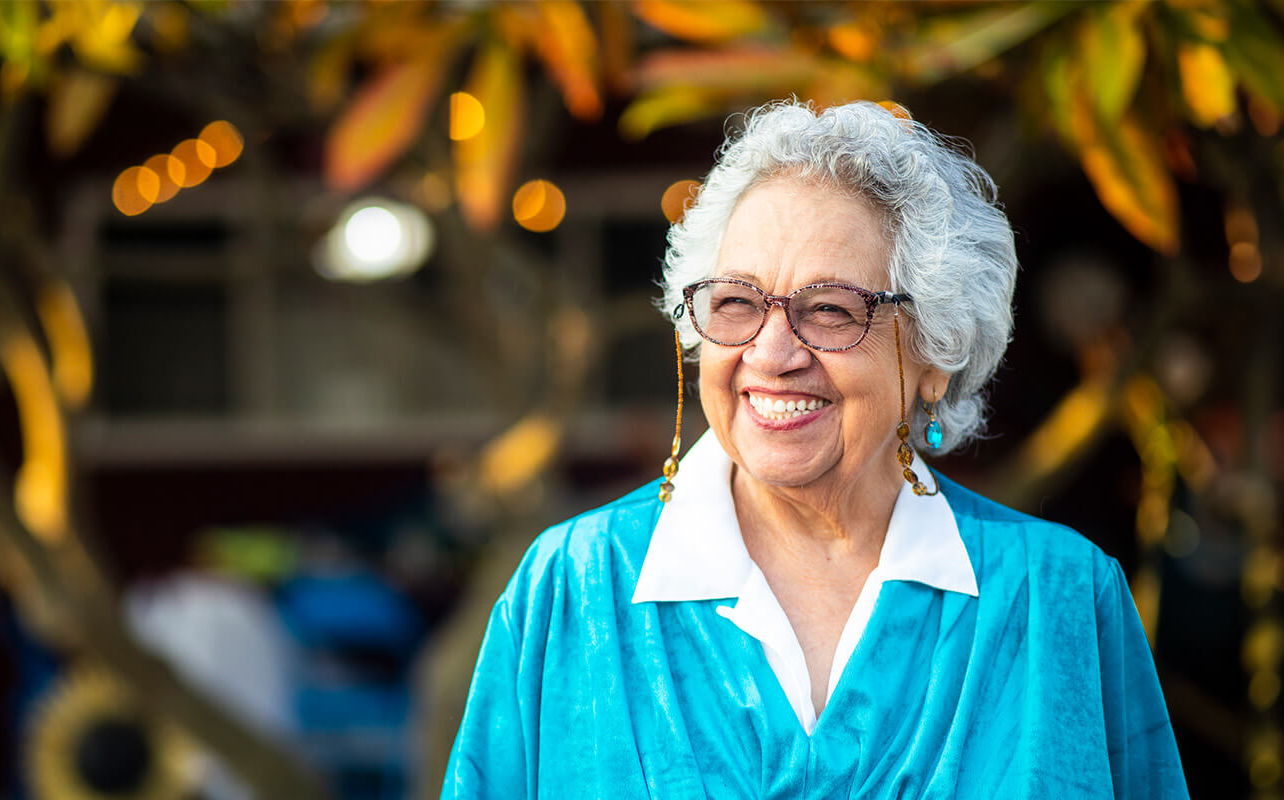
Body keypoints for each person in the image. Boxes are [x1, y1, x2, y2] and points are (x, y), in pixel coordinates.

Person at [440, 100, 1187, 798]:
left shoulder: (1063, 597)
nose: (771, 353)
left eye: (830, 310)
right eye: (735, 302)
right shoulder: (573, 590)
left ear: (936, 355)